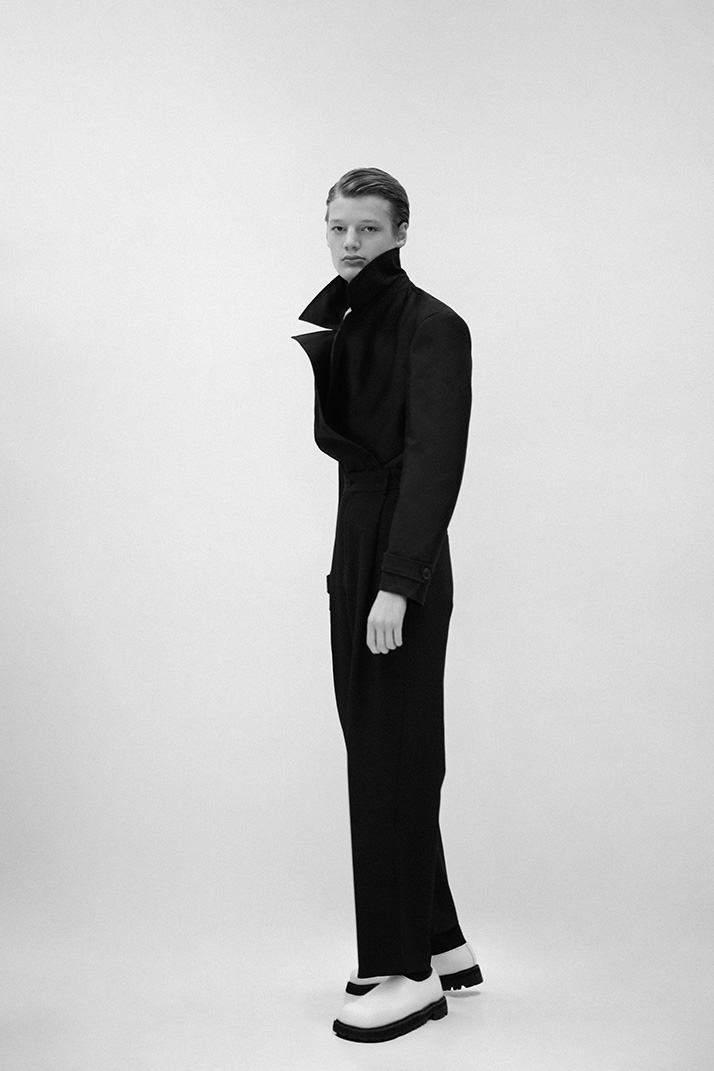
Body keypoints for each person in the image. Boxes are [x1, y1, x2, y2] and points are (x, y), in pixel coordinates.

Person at [293, 168, 482, 1044]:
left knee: (393, 761)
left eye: (367, 228)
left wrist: (398, 582)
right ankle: (439, 940)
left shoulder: (434, 325)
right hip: (357, 545)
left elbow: (435, 461)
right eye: (338, 226)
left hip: (401, 555)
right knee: (380, 750)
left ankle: (407, 970)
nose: (350, 242)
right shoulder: (356, 319)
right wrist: (355, 572)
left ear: (401, 231)